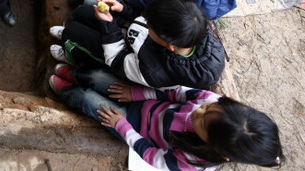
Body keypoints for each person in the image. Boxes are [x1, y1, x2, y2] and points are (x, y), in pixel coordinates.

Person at [48, 67, 284, 170]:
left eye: (201, 121)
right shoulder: (212, 101)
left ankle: (67, 92)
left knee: (89, 100)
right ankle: (76, 74)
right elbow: (174, 93)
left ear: (220, 150)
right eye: (209, 107)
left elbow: (152, 156)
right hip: (141, 103)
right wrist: (135, 93)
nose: (198, 111)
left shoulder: (192, 162)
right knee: (98, 76)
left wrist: (123, 127)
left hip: (133, 125)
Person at [49, 0, 226, 89]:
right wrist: (122, 9)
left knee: (72, 33)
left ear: (169, 46)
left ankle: (71, 53)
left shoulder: (154, 70)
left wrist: (108, 26)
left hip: (119, 57)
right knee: (83, 13)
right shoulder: (188, 28)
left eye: (151, 26)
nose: (147, 22)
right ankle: (70, 34)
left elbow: (117, 61)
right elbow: (146, 18)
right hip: (129, 36)